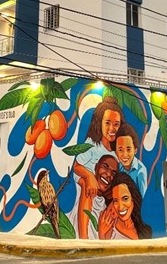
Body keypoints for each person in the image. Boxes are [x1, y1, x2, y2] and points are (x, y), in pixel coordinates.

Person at [73, 96, 124, 238]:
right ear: (99, 122)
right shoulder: (92, 144)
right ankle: (84, 237)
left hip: (105, 185)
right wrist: (89, 176)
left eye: (116, 124)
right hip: (85, 178)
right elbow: (77, 166)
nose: (112, 128)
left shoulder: (116, 152)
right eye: (107, 123)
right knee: (87, 187)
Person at [67, 155, 118, 239]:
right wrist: (88, 177)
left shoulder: (106, 210)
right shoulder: (78, 189)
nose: (108, 174)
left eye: (113, 173)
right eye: (105, 167)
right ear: (96, 167)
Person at [98, 172, 152, 240]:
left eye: (125, 199)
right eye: (116, 200)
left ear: (133, 198)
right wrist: (102, 233)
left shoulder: (144, 231)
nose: (120, 207)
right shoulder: (110, 223)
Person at [114, 123, 147, 196]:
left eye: (128, 149)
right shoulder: (118, 167)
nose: (125, 155)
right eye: (120, 150)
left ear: (135, 150)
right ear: (116, 152)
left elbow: (142, 198)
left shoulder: (140, 171)